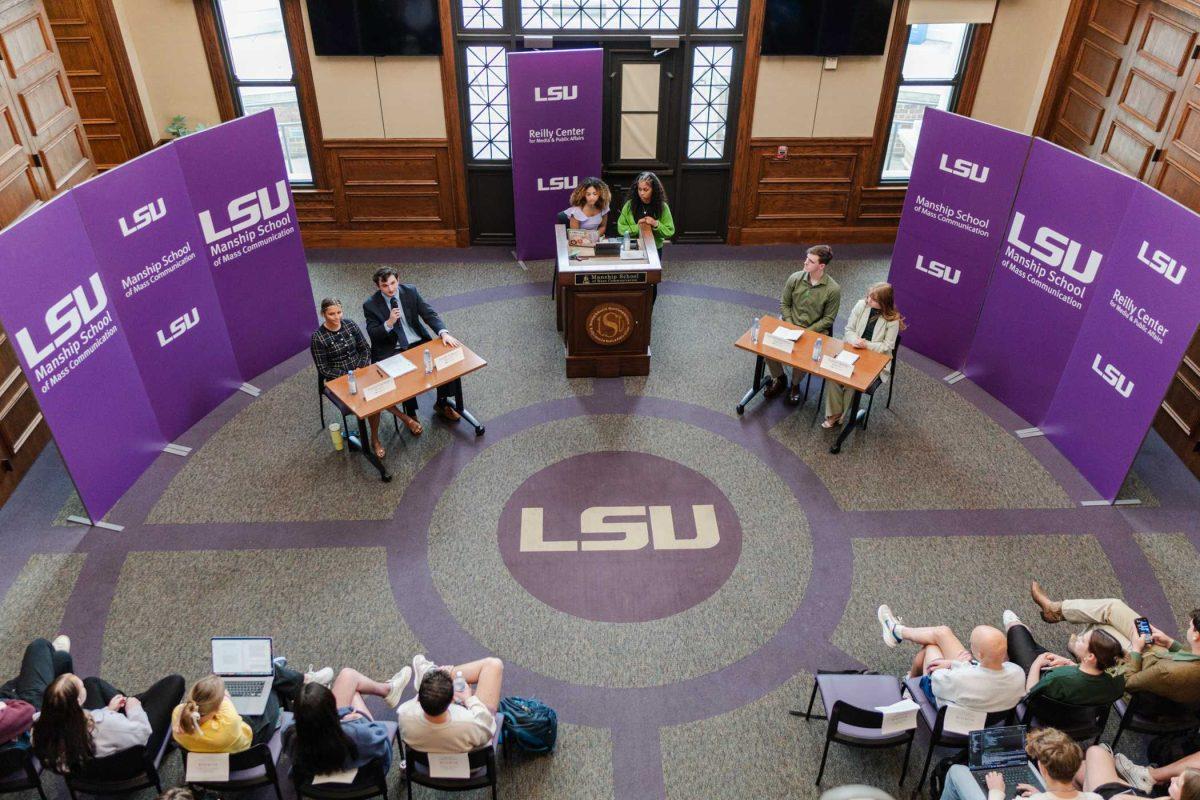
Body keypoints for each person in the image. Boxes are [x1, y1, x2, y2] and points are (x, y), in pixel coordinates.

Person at [1030, 582, 1200, 704]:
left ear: (1196, 636)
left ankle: (1082, 650)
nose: (1188, 626)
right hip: (1161, 656)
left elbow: (1127, 683)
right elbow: (1192, 657)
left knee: (1098, 629)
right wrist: (1171, 643)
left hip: (1142, 671)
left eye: (1191, 626)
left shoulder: (1166, 672)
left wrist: (1135, 650)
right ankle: (1055, 611)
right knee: (1112, 607)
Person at [311, 298, 418, 460]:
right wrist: (348, 374)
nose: (336, 317)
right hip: (339, 380)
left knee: (380, 391)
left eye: (339, 312)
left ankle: (376, 437)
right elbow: (324, 369)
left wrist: (360, 368)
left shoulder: (350, 325)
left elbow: (365, 349)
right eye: (331, 314)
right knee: (371, 399)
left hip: (362, 371)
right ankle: (386, 431)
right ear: (323, 314)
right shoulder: (318, 338)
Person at [362, 267, 463, 430]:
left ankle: (442, 403)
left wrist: (443, 332)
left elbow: (428, 313)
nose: (390, 289)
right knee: (404, 375)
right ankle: (411, 413)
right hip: (393, 347)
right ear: (378, 286)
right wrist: (388, 323)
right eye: (385, 285)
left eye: (393, 283)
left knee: (445, 363)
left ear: (398, 279)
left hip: (417, 340)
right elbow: (373, 334)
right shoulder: (370, 305)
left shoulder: (410, 291)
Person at [877, 605, 1025, 713]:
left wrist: (954, 666)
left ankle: (910, 685)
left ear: (979, 655)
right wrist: (959, 664)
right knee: (943, 632)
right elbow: (979, 675)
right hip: (983, 696)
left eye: (971, 644)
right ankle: (897, 631)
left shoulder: (961, 678)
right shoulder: (1017, 673)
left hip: (956, 711)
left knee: (931, 647)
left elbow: (935, 679)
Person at [32, 670, 185, 772]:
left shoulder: (38, 729)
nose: (84, 687)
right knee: (175, 682)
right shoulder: (106, 725)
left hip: (85, 771)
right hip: (126, 765)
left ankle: (136, 699)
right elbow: (143, 734)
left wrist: (108, 710)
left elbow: (81, 722)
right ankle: (137, 701)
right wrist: (134, 708)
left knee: (92, 682)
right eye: (81, 687)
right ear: (78, 701)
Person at [171, 661, 333, 753]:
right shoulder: (228, 722)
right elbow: (227, 699)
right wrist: (225, 692)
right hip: (254, 737)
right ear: (218, 707)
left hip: (218, 749)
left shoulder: (179, 716)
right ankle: (304, 684)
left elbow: (202, 704)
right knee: (267, 681)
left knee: (267, 674)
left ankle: (286, 674)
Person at [291, 665, 411, 775]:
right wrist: (355, 720)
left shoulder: (289, 736)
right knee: (351, 686)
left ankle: (388, 690)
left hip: (314, 780)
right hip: (364, 778)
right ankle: (388, 689)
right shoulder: (359, 734)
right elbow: (383, 747)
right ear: (333, 709)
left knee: (349, 683)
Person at [764, 245, 842, 405]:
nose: (805, 262)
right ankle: (779, 378)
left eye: (811, 261)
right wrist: (791, 325)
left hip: (814, 330)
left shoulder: (833, 289)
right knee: (768, 346)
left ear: (821, 266)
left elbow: (828, 319)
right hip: (789, 323)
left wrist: (806, 331)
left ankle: (795, 384)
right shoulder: (795, 278)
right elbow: (784, 304)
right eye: (807, 258)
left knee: (803, 355)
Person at [1001, 610, 1125, 706]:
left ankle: (1017, 627)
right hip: (1081, 720)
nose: (1077, 639)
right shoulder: (1118, 681)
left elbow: (1030, 693)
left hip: (1043, 712)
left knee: (1016, 632)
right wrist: (1071, 663)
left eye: (1082, 641)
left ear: (1091, 656)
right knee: (1029, 647)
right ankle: (1022, 634)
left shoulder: (1058, 677)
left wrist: (1037, 663)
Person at [822, 282, 904, 428]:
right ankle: (836, 413)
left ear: (883, 303)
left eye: (873, 299)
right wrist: (855, 341)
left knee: (852, 382)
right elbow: (849, 330)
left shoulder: (893, 319)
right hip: (852, 350)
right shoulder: (861, 305)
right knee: (833, 375)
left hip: (876, 359)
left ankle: (839, 416)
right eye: (868, 297)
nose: (868, 301)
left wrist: (867, 345)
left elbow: (887, 346)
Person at [941, 728, 1098, 800]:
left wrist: (996, 791)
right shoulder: (1095, 798)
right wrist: (1041, 795)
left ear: (1043, 769)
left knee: (956, 771)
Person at [397, 654, 503, 754]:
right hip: (468, 767)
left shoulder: (404, 715)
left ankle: (431, 673)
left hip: (427, 765)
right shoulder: (471, 723)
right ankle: (434, 672)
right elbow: (489, 729)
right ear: (453, 699)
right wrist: (469, 699)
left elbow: (412, 704)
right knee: (494, 665)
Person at [0, 636, 71, 747]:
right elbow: (27, 711)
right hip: (27, 716)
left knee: (60, 659)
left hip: (9, 707)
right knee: (41, 646)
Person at [1083, 747, 1200, 800]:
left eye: (1178, 783)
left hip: (1109, 796)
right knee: (1082, 767)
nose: (1172, 779)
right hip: (1126, 793)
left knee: (1095, 752)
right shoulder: (1170, 798)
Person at [616, 172, 674, 260]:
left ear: (654, 190)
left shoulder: (663, 207)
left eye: (645, 190)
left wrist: (656, 224)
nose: (642, 193)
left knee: (653, 273)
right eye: (639, 189)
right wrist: (637, 227)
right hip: (632, 247)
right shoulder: (629, 205)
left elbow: (670, 231)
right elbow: (621, 228)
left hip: (654, 248)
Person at [563, 177, 610, 244]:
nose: (592, 197)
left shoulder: (604, 206)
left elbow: (603, 226)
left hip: (595, 241)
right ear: (583, 195)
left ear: (600, 194)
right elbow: (574, 235)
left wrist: (594, 237)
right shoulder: (576, 211)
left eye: (595, 194)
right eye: (588, 194)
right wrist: (586, 240)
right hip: (580, 242)